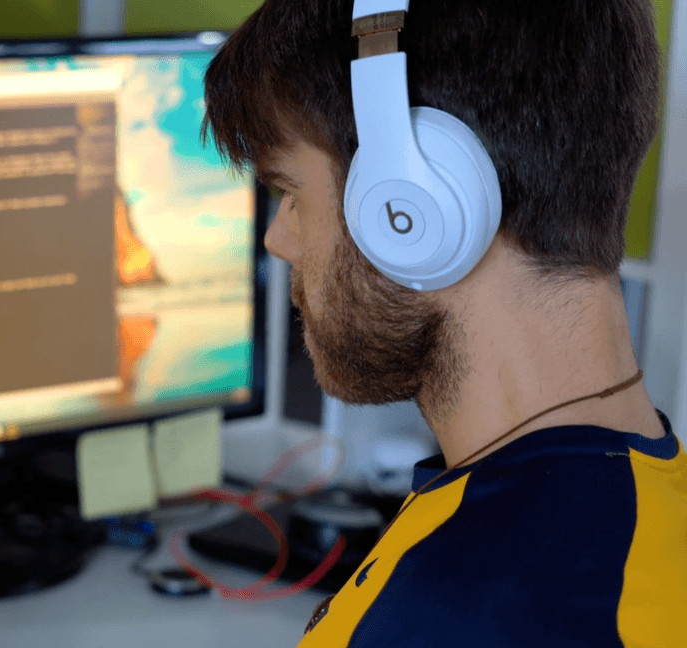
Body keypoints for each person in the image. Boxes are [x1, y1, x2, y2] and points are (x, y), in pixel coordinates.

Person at [202, 1, 687, 646]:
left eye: (290, 190)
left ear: (410, 210)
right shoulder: (641, 510)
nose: (278, 239)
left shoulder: (433, 618)